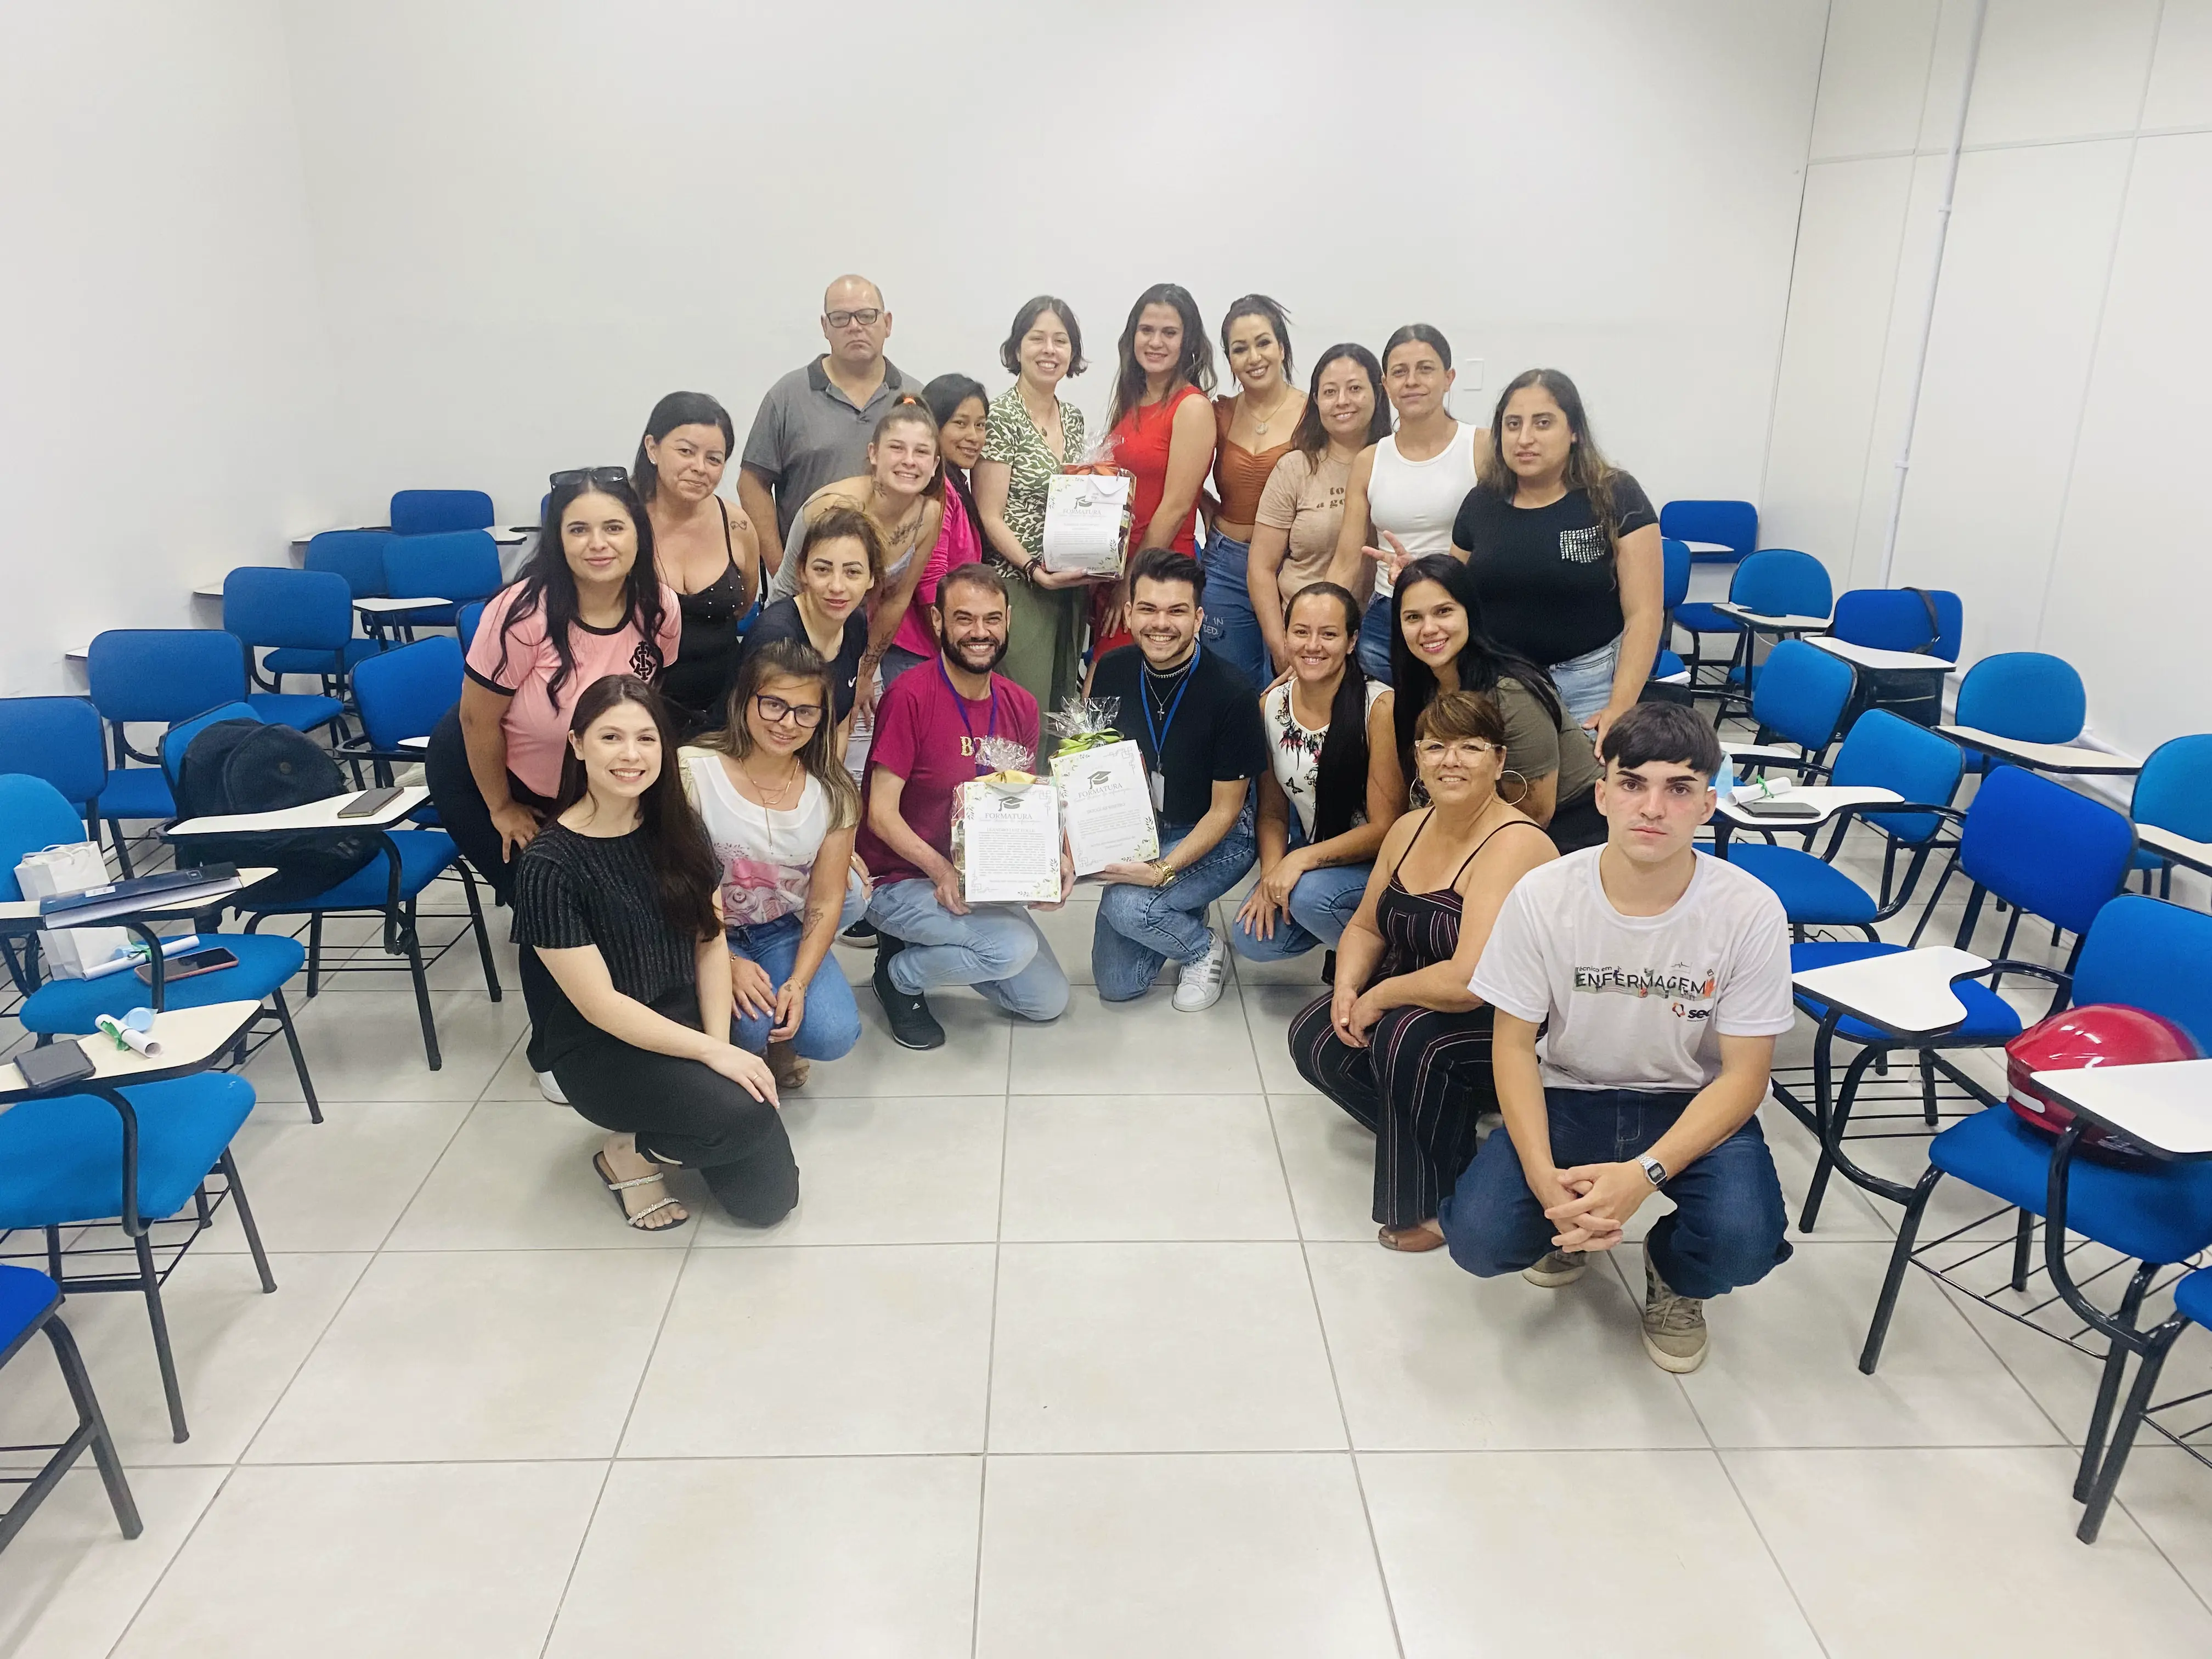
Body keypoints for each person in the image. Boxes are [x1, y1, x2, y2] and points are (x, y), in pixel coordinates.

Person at [1439, 701, 1796, 1373]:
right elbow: (1513, 1047)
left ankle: (1674, 1272)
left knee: (1744, 1242)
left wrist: (1643, 1176)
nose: (1653, 808)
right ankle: (1565, 1224)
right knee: (1480, 1241)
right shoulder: (1544, 895)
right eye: (1633, 784)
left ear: (1708, 805)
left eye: (1679, 788)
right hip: (1570, 1093)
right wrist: (1546, 1184)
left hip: (1692, 1102)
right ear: (1602, 793)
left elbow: (1745, 1079)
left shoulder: (1749, 911)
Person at [426, 467, 681, 1099]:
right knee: (546, 907)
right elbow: (477, 721)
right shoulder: (521, 614)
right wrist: (502, 808)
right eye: (579, 529)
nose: (599, 543)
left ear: (638, 534)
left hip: (584, 782)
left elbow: (643, 706)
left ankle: (608, 1017)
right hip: (489, 774)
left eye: (614, 527)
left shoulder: (659, 606)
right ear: (558, 538)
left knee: (600, 905)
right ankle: (555, 1055)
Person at [513, 674, 794, 1232]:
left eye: (646, 739)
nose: (631, 755)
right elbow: (600, 1007)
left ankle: (671, 1134)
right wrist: (717, 1061)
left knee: (768, 1204)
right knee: (742, 1114)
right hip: (601, 1047)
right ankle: (629, 1154)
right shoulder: (549, 865)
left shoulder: (678, 829)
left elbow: (711, 943)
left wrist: (717, 1048)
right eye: (610, 738)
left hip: (682, 1014)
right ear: (577, 745)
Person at [1288, 691, 1556, 1249]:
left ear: (1499, 761)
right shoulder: (1409, 827)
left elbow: (1467, 980)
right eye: (1436, 747)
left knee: (1406, 1035)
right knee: (1317, 1034)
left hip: (1505, 1021)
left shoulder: (1516, 843)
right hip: (1416, 1001)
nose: (1450, 760)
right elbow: (1365, 927)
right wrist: (1346, 989)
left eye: (1470, 747)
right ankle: (1452, 1140)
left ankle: (1438, 1199)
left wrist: (1379, 997)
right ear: (1418, 760)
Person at [860, 562, 1072, 1048]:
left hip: (983, 877)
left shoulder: (1020, 704)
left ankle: (940, 941)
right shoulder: (909, 697)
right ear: (938, 623)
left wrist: (1054, 860)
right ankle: (900, 974)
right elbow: (880, 815)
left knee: (1047, 1001)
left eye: (992, 619)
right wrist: (941, 871)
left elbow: (1025, 800)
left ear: (1008, 620)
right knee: (1010, 946)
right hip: (902, 878)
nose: (981, 633)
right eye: (964, 619)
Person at [681, 639, 865, 1094]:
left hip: (779, 927)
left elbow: (825, 898)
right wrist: (723, 959)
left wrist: (799, 983)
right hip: (700, 931)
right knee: (747, 1028)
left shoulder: (833, 791)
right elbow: (666, 884)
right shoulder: (692, 770)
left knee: (833, 1033)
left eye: (806, 711)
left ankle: (785, 1043)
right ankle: (753, 1048)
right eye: (774, 705)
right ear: (744, 700)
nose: (788, 723)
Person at [1086, 549, 1265, 1010]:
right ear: (1129, 613)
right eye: (1147, 609)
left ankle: (1204, 948)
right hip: (1142, 826)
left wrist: (1162, 871)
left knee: (1128, 907)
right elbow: (1089, 768)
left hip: (1217, 832)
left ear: (1199, 617)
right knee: (1117, 985)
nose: (1160, 623)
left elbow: (1227, 810)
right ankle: (1179, 906)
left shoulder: (1233, 692)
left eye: (1177, 611)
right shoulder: (1112, 669)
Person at [1452, 369, 1663, 739]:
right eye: (1513, 424)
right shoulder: (1481, 502)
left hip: (1590, 688)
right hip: (1498, 685)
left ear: (1574, 431)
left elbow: (1644, 614)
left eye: (1543, 423)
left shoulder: (1616, 496)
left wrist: (1620, 706)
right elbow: (1454, 594)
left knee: (1583, 795)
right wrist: (1420, 579)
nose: (1525, 438)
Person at [1372, 555, 1608, 854]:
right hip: (1479, 827)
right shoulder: (1420, 687)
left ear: (1469, 612)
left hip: (1569, 833)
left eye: (1443, 611)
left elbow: (1534, 816)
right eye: (1413, 617)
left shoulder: (1511, 692)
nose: (1428, 628)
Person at [1231, 582, 1393, 967]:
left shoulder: (1380, 707)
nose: (1313, 646)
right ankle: (1353, 939)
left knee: (1308, 896)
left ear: (1352, 642)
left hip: (1379, 862)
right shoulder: (1270, 704)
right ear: (1285, 637)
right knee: (1252, 937)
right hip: (1319, 856)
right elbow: (1271, 812)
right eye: (1301, 632)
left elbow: (1385, 827)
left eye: (1329, 634)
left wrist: (1300, 862)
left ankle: (1386, 966)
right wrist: (1273, 875)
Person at [738, 274, 926, 580]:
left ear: (887, 323)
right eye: (841, 318)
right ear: (825, 328)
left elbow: (933, 492)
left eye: (867, 316)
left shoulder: (915, 398)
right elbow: (752, 484)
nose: (855, 326)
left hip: (888, 584)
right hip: (811, 581)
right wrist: (781, 567)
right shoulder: (787, 396)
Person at [768, 396, 945, 714]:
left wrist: (863, 673)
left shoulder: (928, 516)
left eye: (921, 452)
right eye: (897, 448)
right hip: (793, 626)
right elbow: (794, 587)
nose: (909, 461)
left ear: (934, 465)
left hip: (853, 636)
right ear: (874, 454)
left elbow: (897, 599)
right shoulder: (833, 506)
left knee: (848, 731)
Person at [1328, 324, 1485, 682]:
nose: (1412, 381)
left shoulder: (1481, 448)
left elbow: (1501, 542)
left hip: (1462, 611)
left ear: (1449, 378)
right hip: (1390, 616)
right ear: (1385, 385)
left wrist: (1432, 575)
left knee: (1459, 729)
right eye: (1400, 372)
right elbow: (1346, 560)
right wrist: (1321, 623)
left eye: (1425, 369)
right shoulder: (1370, 460)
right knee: (1389, 728)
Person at [974, 295, 1098, 720]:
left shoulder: (1076, 418)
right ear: (1017, 348)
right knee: (1022, 709)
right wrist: (1034, 570)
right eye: (1037, 338)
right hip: (1019, 585)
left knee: (1064, 705)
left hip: (1069, 585)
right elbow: (989, 514)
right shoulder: (1000, 415)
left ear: (1073, 353)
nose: (1049, 350)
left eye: (1061, 341)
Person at [1249, 343, 1391, 678]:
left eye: (1355, 388)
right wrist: (1281, 646)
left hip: (1381, 636)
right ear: (1315, 400)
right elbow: (1261, 567)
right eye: (1330, 392)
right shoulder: (1295, 468)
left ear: (1378, 391)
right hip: (1307, 643)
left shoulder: (1397, 461)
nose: (1342, 401)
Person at [1097, 284, 1217, 656]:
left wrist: (1133, 580)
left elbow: (1177, 505)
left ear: (1188, 341)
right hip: (1117, 568)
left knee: (1118, 685)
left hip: (1158, 572)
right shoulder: (1133, 399)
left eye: (1169, 333)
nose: (1156, 342)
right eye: (1147, 330)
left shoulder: (1191, 407)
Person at [634, 391, 761, 735]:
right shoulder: (622, 523)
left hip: (722, 708)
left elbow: (743, 606)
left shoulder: (736, 524)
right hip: (637, 710)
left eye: (714, 459)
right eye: (686, 452)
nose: (699, 468)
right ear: (653, 449)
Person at [1199, 295, 1304, 690]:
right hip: (1225, 567)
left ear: (1281, 347)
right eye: (1240, 349)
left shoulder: (1312, 415)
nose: (1253, 357)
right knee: (1229, 687)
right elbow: (1185, 476)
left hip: (1290, 566)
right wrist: (1209, 512)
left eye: (1263, 343)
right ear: (1229, 359)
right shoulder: (1220, 412)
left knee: (1289, 679)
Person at [739, 504, 877, 758]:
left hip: (807, 769)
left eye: (853, 572)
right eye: (822, 570)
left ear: (871, 578)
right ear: (802, 571)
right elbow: (755, 737)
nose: (837, 586)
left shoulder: (855, 624)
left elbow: (839, 726)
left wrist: (833, 790)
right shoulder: (775, 635)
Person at [878, 373, 988, 689]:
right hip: (922, 651)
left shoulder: (954, 483)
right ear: (933, 426)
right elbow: (931, 584)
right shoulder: (936, 491)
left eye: (980, 425)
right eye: (960, 423)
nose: (973, 436)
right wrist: (958, 653)